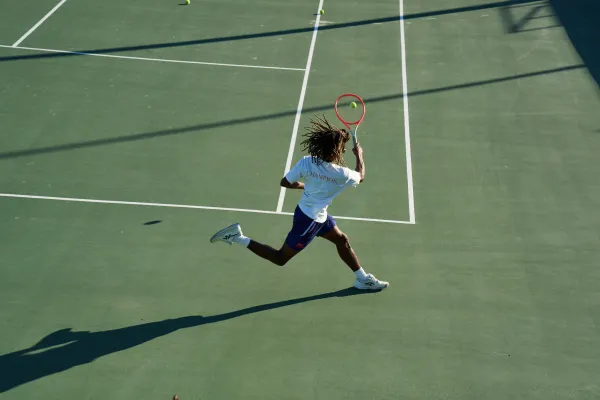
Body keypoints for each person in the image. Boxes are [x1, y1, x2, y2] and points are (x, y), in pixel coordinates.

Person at [210, 115, 389, 290]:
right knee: (280, 258)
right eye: (341, 148)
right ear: (335, 151)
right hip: (309, 223)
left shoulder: (307, 162)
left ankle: (362, 278)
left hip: (312, 214)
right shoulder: (342, 174)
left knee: (342, 240)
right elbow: (361, 175)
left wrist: (307, 187)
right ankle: (237, 236)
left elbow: (285, 183)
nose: (343, 150)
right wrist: (359, 155)